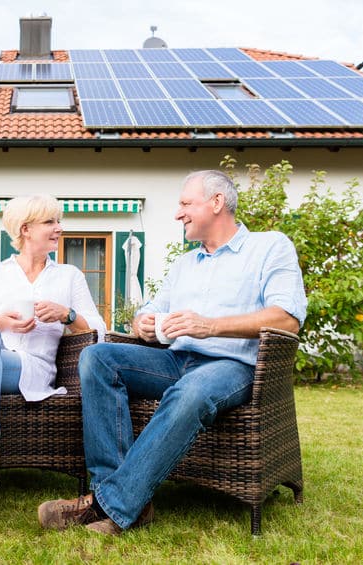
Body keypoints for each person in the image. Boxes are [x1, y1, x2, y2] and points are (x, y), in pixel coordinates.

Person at [38, 170, 307, 535]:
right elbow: (148, 312)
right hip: (175, 359)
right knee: (98, 357)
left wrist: (210, 325)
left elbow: (287, 318)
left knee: (191, 390)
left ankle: (108, 504)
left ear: (216, 202)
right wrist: (142, 325)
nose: (178, 213)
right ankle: (123, 494)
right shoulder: (185, 264)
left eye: (185, 204)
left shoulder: (270, 247)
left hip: (233, 364)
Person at [0, 194, 106, 543]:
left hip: (33, 371)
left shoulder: (68, 276)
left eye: (58, 221)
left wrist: (68, 315)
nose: (59, 228)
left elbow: (100, 331)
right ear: (25, 229)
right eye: (51, 222)